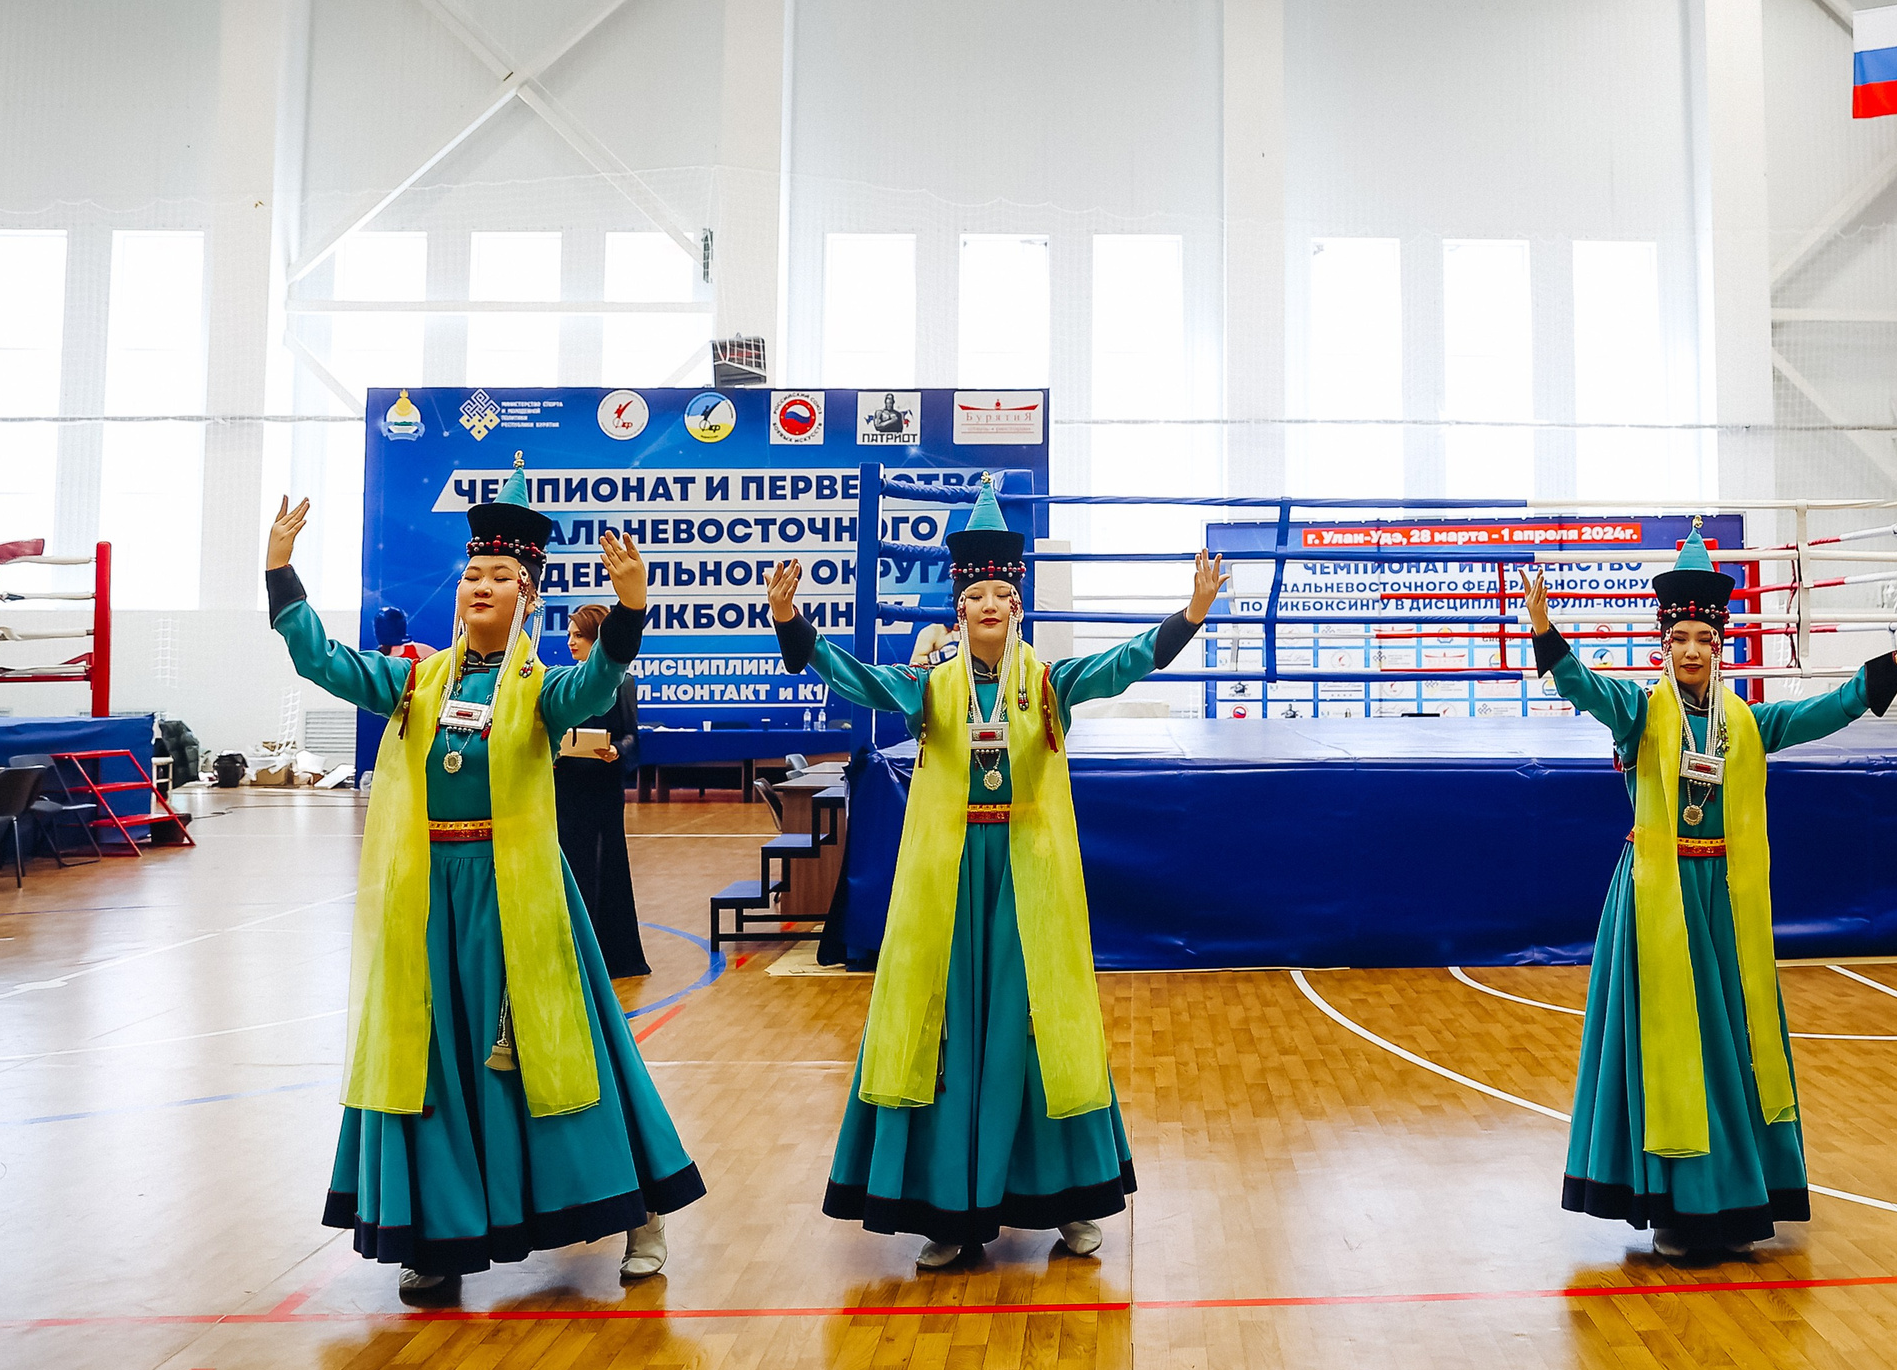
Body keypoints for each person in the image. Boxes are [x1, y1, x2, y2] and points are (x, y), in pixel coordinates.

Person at [265, 460, 704, 1300]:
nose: (481, 585)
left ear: (527, 594)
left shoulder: (539, 689)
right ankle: (440, 1231)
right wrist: (282, 571)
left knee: (566, 1054)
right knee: (431, 1065)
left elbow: (598, 684)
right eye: (473, 572)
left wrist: (629, 611)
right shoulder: (416, 681)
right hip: (429, 903)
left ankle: (639, 1207)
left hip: (519, 899)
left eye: (501, 575)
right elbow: (322, 661)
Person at [767, 479, 1225, 1267]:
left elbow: (1121, 665)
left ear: (1018, 606)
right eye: (973, 593)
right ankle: (949, 1207)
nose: (987, 603)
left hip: (1025, 887)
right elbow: (855, 677)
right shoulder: (930, 688)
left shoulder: (1046, 685)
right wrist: (791, 623)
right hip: (948, 887)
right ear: (958, 610)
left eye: (1000, 593)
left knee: (1039, 1028)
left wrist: (1190, 614)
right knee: (947, 1036)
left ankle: (1070, 1198)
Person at [1518, 528, 1897, 1257]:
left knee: (1731, 1045)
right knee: (1671, 1047)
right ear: (1663, 644)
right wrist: (1544, 630)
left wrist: (1896, 662)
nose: (1692, 650)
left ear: (1721, 647)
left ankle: (1733, 1196)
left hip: (1725, 902)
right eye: (1679, 637)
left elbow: (1829, 709)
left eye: (1705, 639)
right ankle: (1673, 1204)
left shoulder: (1747, 722)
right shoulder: (1638, 711)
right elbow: (1583, 687)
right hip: (1657, 897)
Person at [555, 603, 649, 979]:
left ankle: (610, 955)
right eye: (569, 635)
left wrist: (615, 751)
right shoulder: (560, 680)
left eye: (579, 635)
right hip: (565, 787)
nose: (571, 642)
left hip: (602, 788)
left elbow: (631, 737)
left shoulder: (622, 682)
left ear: (597, 639)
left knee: (603, 867)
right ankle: (569, 952)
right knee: (569, 867)